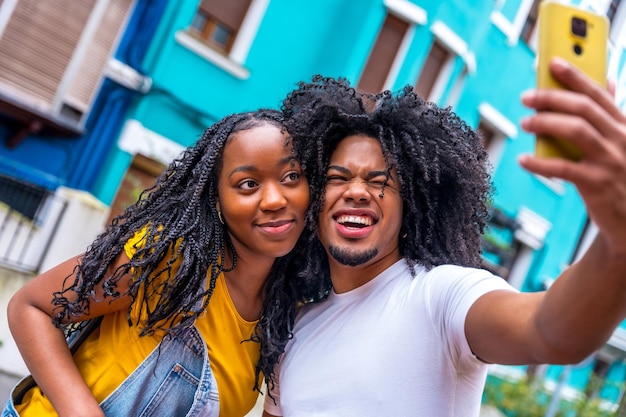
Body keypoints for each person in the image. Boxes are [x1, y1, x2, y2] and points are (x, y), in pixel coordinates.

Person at [263, 58, 626, 417]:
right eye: (338, 178)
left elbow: (550, 332)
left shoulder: (442, 295)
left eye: (380, 182)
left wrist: (618, 241)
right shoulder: (296, 331)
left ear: (412, 208)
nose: (357, 191)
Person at [2, 109, 322, 417]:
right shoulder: (170, 257)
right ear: (217, 199)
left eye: (291, 176)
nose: (275, 199)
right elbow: (31, 307)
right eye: (248, 184)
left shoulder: (283, 313)